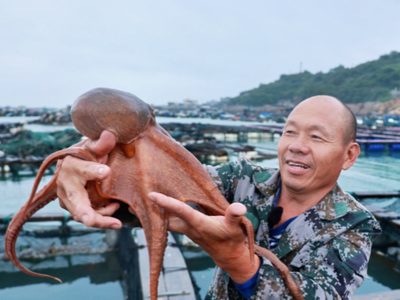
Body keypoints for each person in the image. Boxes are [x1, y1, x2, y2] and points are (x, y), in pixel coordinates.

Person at [56, 95, 381, 299]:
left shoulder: (354, 225)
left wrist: (238, 262)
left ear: (349, 155)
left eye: (316, 136)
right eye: (289, 131)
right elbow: (155, 198)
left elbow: (323, 295)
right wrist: (90, 180)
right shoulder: (241, 178)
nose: (296, 145)